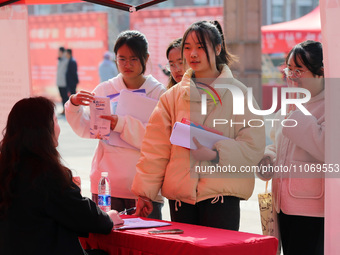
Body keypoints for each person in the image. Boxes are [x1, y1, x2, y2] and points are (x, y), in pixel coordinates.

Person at [132, 21, 265, 230]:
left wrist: (215, 154)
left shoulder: (240, 94)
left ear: (218, 48)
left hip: (222, 199)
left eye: (201, 47)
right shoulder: (171, 98)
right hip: (180, 201)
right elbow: (155, 149)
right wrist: (145, 193)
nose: (193, 54)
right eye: (187, 47)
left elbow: (254, 147)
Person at [0, 97, 123, 255]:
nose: (59, 128)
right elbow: (90, 219)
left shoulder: (6, 168)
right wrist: (108, 217)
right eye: (55, 121)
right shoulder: (45, 173)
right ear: (44, 130)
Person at [65, 30, 166, 220]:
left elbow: (158, 139)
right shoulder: (105, 89)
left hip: (144, 188)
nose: (127, 65)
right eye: (122, 59)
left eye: (134, 59)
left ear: (146, 58)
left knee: (145, 246)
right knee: (107, 245)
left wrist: (120, 124)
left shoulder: (158, 93)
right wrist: (74, 105)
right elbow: (87, 129)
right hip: (106, 185)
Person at [257, 40, 325, 255]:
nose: (291, 75)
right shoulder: (290, 104)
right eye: (289, 69)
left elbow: (327, 148)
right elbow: (277, 145)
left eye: (299, 70)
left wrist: (296, 114)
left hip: (314, 211)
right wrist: (268, 158)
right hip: (282, 206)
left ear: (321, 72)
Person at [56, 46, 68, 114]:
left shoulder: (66, 60)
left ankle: (66, 110)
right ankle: (64, 109)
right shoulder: (59, 59)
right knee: (62, 96)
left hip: (64, 82)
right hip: (59, 82)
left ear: (61, 52)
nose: (58, 53)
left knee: (65, 97)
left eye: (58, 52)